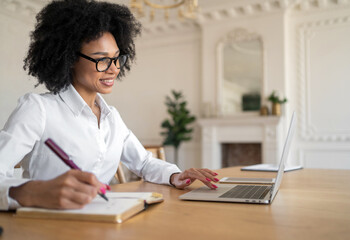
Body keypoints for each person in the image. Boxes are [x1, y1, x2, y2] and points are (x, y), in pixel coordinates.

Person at [0, 0, 219, 211]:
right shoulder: (38, 109)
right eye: (102, 59)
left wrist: (175, 176)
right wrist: (32, 192)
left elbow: (143, 163)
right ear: (69, 58)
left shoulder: (111, 117)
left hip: (104, 220)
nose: (114, 69)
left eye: (117, 59)